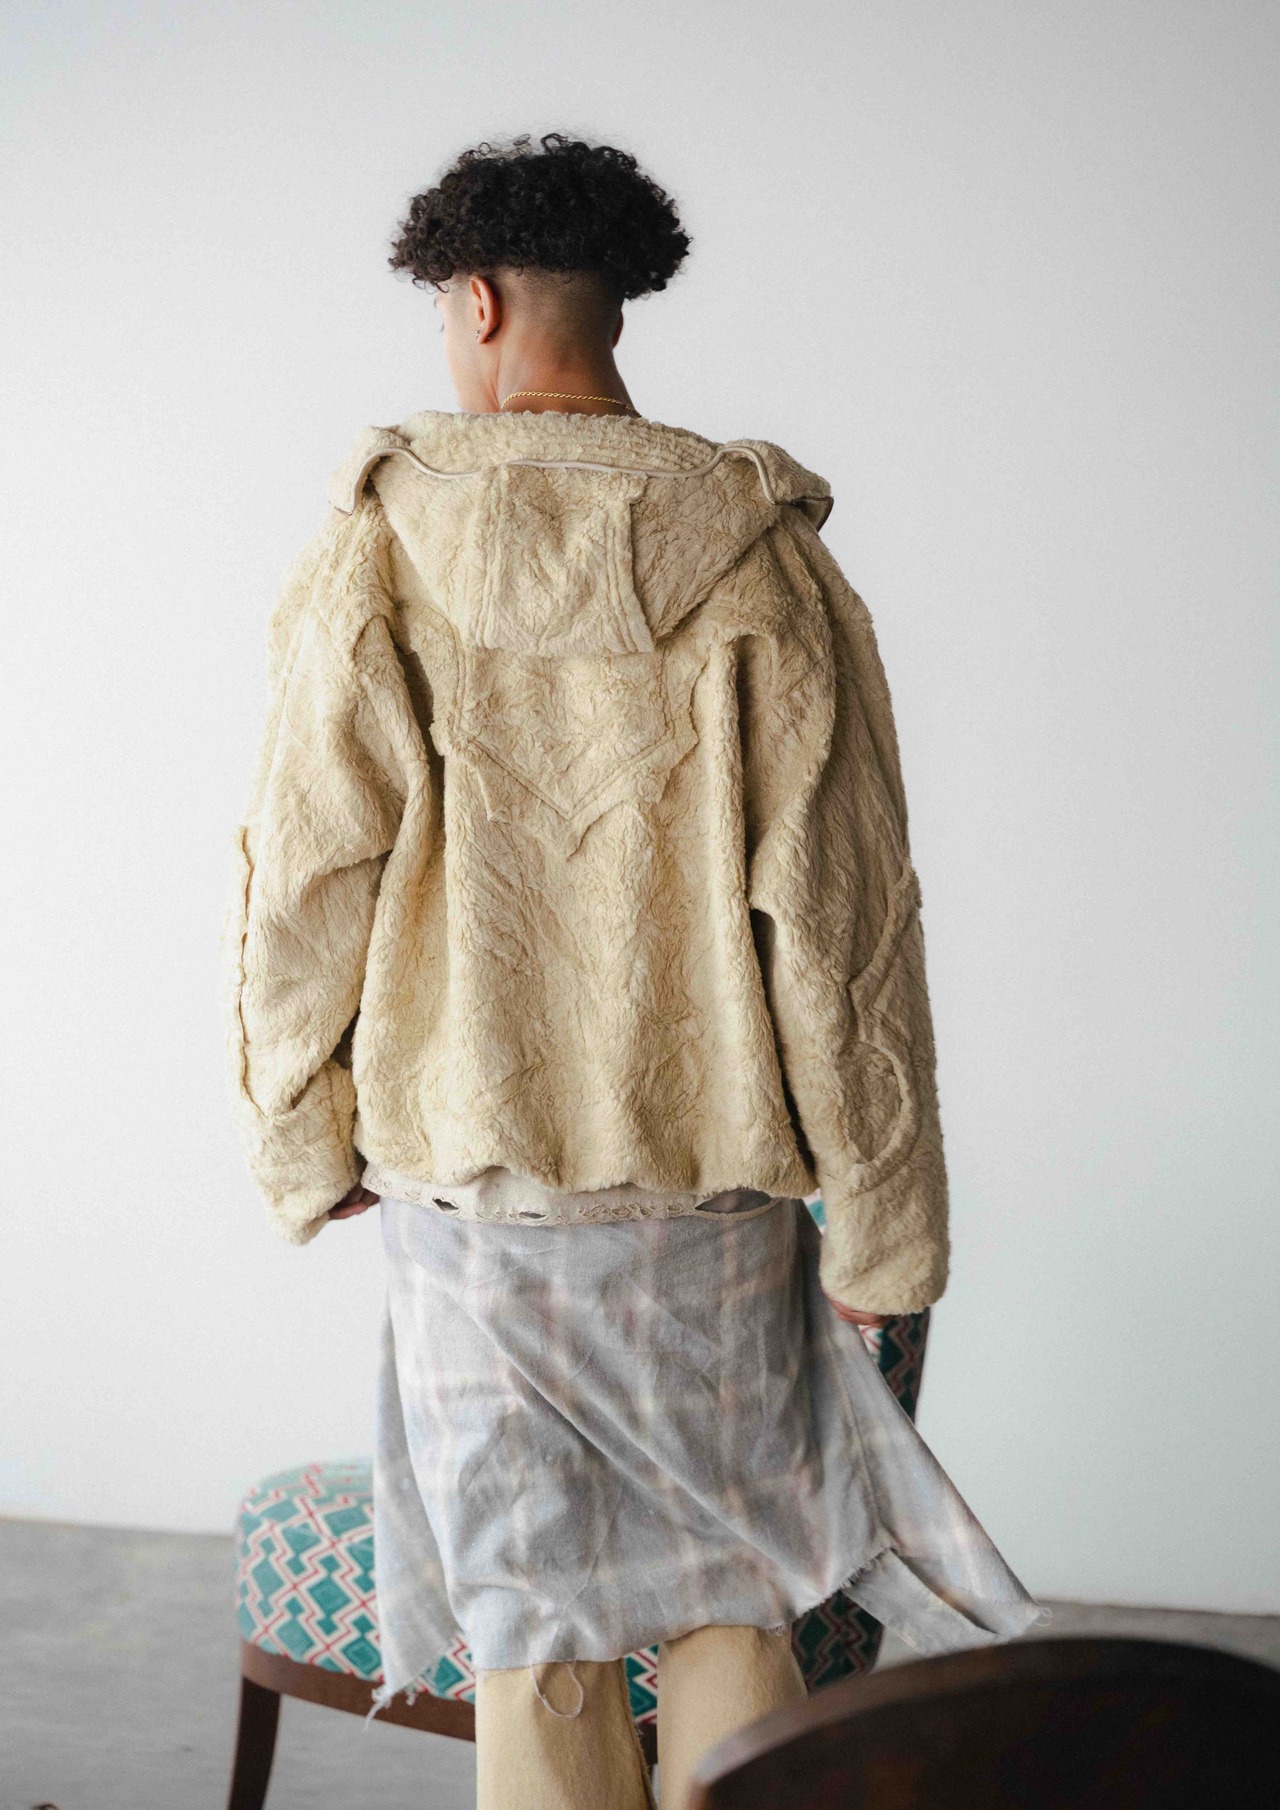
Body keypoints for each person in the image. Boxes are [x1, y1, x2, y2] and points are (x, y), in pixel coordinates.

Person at [224, 131, 1044, 1810]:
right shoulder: (762, 554)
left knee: (530, 1620)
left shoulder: (379, 544)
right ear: (615, 302)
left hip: (478, 1194)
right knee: (729, 1590)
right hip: (709, 1199)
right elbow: (843, 916)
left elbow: (305, 879)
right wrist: (886, 1221)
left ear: (474, 301)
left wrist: (303, 1133)